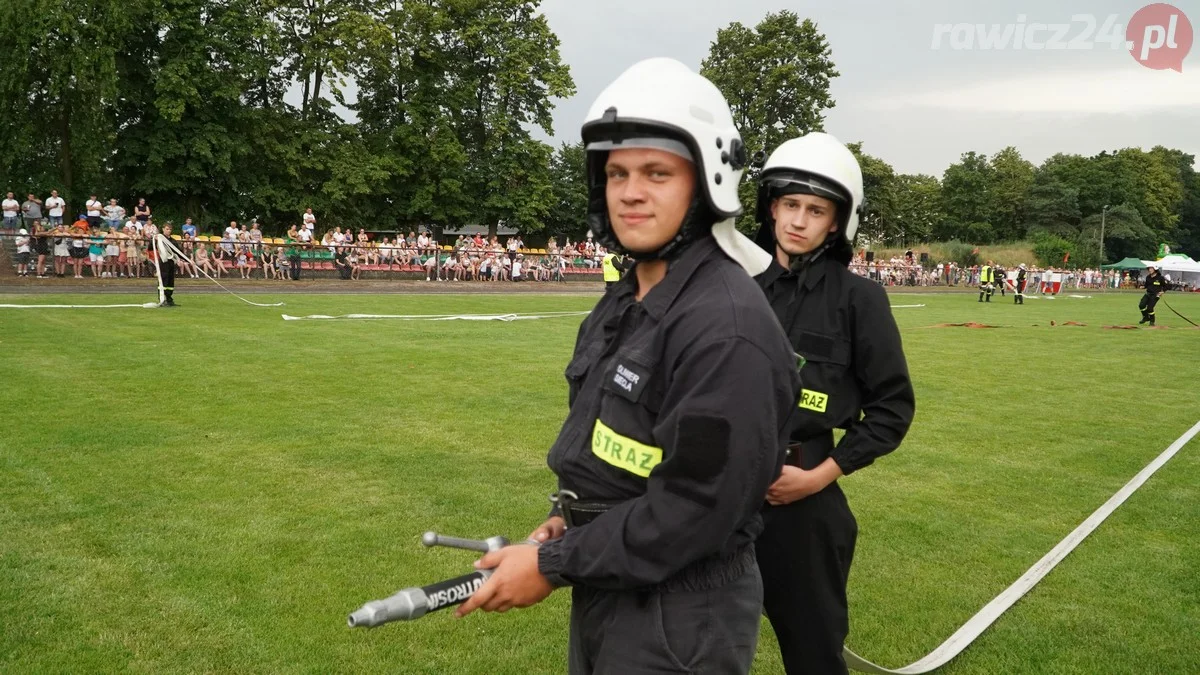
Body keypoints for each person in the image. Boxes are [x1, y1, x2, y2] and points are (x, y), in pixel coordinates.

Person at [455, 57, 799, 675]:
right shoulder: (627, 297)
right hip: (613, 580)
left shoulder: (727, 328)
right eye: (616, 172)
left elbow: (695, 510)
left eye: (656, 172)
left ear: (706, 181)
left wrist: (552, 566)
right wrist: (568, 521)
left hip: (681, 614)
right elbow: (616, 450)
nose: (630, 191)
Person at [750, 132, 915, 674]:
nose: (798, 220)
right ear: (771, 208)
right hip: (718, 494)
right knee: (701, 640)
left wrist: (821, 475)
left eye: (815, 210)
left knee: (814, 654)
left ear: (837, 222)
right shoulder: (735, 289)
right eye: (790, 204)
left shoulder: (859, 300)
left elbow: (892, 408)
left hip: (803, 505)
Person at [153, 223, 179, 306]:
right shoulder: (159, 239)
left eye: (170, 229)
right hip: (164, 263)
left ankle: (169, 299)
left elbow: (179, 251)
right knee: (164, 280)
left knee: (170, 282)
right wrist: (155, 239)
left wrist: (189, 260)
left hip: (171, 262)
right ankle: (162, 299)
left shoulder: (173, 241)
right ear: (163, 229)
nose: (169, 231)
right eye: (167, 229)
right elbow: (150, 247)